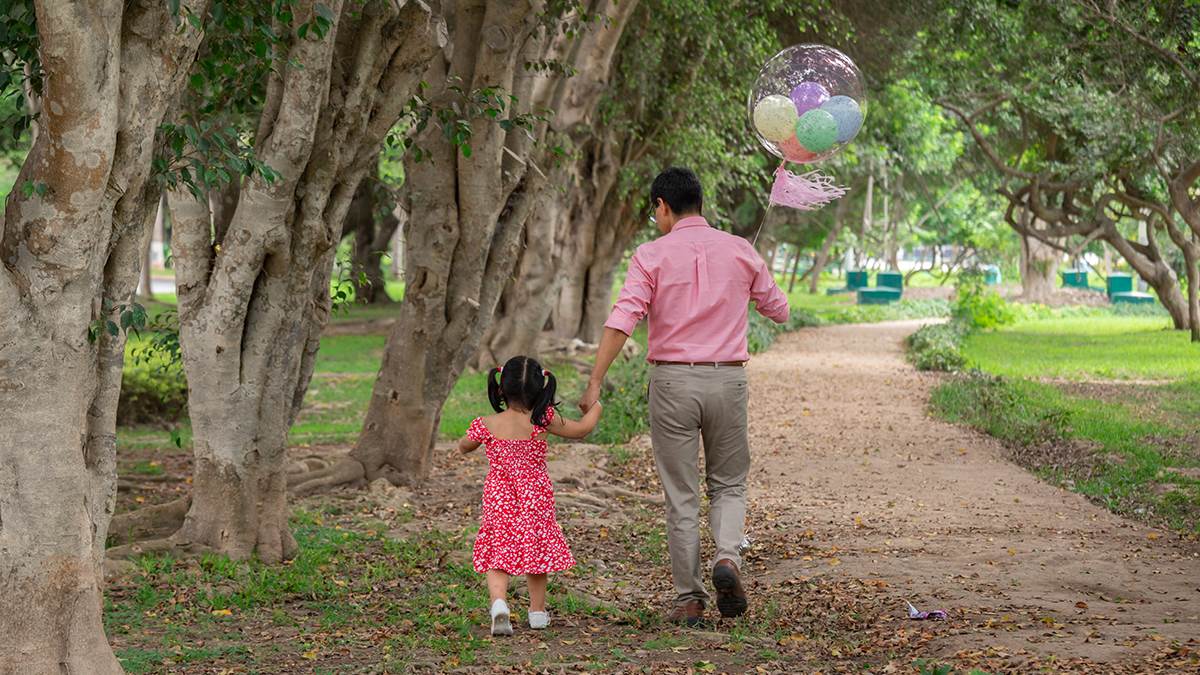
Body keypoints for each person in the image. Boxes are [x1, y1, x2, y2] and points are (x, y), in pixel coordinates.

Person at [578, 167, 789, 626]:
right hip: (728, 381)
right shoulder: (741, 250)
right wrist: (750, 287)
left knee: (681, 494)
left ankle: (689, 599)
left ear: (663, 206)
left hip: (672, 382)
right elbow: (780, 310)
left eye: (654, 210)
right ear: (701, 203)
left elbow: (624, 318)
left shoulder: (650, 255)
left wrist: (595, 380)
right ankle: (728, 558)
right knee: (729, 483)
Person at [460, 355, 603, 636]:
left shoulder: (486, 423)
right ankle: (537, 613)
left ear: (501, 389)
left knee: (497, 553)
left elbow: (464, 446)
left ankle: (499, 605)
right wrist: (595, 405)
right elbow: (583, 429)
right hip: (535, 497)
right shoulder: (543, 420)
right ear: (540, 389)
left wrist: (469, 439)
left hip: (499, 498)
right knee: (535, 551)